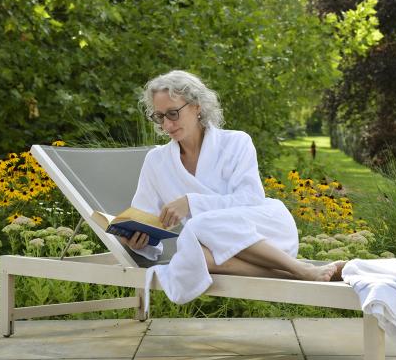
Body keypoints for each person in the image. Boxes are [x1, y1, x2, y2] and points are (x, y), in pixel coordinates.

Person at [122, 70, 344, 304]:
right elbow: (144, 215)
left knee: (197, 225)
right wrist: (137, 240)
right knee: (194, 256)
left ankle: (296, 267)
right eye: (159, 117)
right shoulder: (157, 161)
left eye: (173, 113)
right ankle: (302, 272)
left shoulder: (236, 142)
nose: (167, 124)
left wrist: (191, 202)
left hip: (265, 233)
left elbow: (251, 198)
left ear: (197, 106)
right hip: (215, 249)